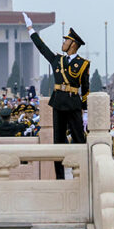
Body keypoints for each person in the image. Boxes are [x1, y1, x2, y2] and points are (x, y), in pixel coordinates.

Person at [24, 13, 90, 180]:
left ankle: (82, 176)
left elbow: (85, 89)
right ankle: (60, 178)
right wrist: (31, 30)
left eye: (66, 40)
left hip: (73, 103)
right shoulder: (57, 60)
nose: (63, 43)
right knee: (58, 141)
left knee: (79, 140)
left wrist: (85, 110)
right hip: (59, 102)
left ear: (73, 44)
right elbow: (42, 48)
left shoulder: (83, 64)